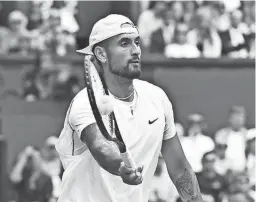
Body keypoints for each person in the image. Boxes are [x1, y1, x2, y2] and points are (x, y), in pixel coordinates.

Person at [55, 14, 203, 202]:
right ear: (101, 54)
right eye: (124, 43)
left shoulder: (157, 98)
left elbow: (178, 166)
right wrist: (120, 167)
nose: (136, 51)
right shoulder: (85, 101)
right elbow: (100, 146)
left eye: (137, 42)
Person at [215, 105, 248, 172]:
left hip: (243, 172)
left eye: (241, 117)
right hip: (225, 171)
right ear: (230, 119)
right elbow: (219, 155)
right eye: (235, 117)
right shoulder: (221, 134)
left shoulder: (248, 134)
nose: (238, 119)